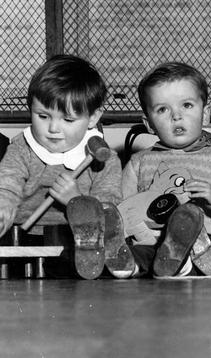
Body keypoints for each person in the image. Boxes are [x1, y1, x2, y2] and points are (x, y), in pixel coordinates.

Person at [109, 62, 211, 278]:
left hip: (205, 244)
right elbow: (122, 210)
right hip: (151, 242)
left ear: (205, 115)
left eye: (186, 105)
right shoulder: (140, 162)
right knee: (137, 253)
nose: (176, 116)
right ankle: (128, 266)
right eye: (163, 109)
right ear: (149, 124)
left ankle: (187, 264)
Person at [0, 54, 122, 278]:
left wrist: (77, 202)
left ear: (93, 117)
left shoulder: (104, 159)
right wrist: (3, 206)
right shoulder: (22, 148)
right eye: (43, 116)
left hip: (76, 242)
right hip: (20, 234)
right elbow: (7, 182)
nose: (53, 128)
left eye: (68, 120)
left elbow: (109, 207)